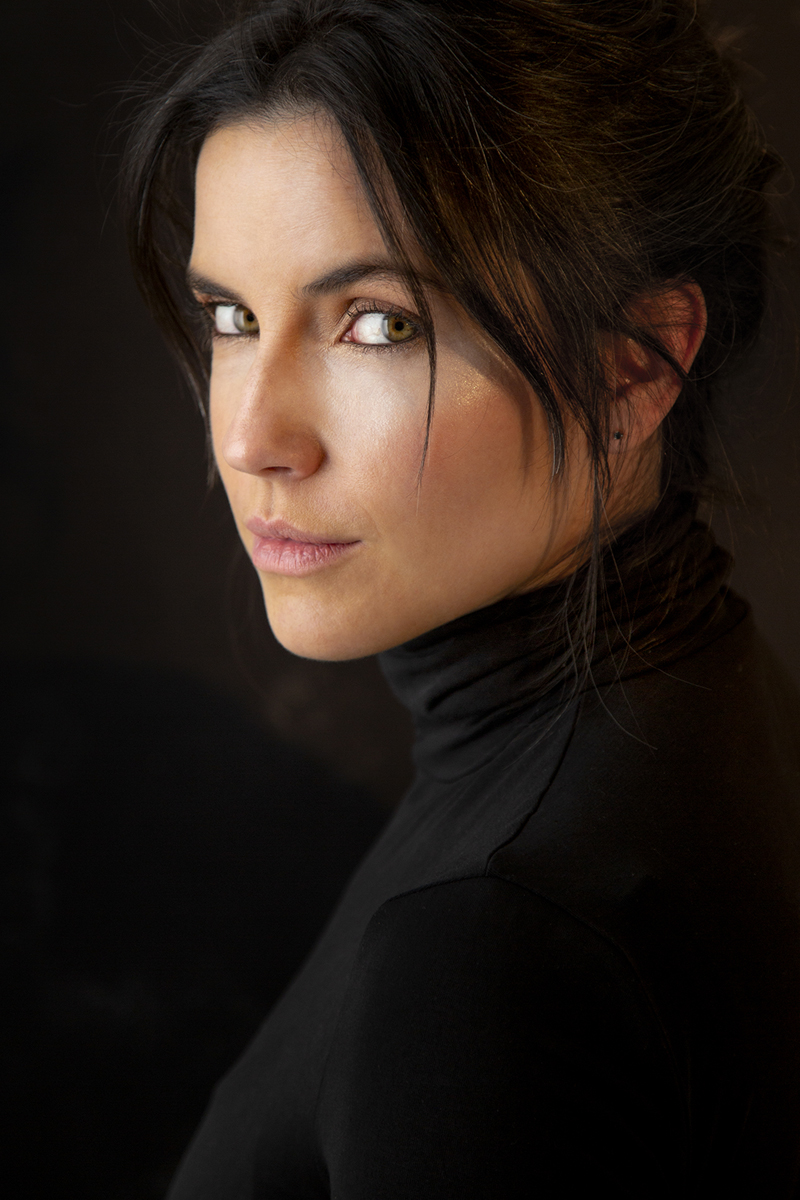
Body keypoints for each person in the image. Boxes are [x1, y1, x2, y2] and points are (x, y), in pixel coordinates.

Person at [122, 0, 800, 1193]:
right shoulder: (712, 703)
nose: (250, 437)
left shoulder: (493, 947)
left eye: (376, 325)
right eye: (232, 317)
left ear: (632, 366)